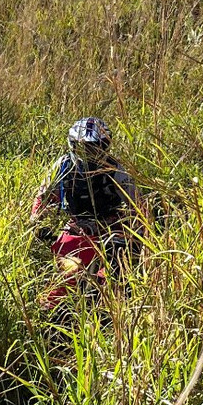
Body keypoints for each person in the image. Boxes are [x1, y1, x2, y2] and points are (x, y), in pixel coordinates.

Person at [30, 116, 140, 308]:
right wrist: (37, 223)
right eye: (83, 148)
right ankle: (50, 316)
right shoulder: (63, 166)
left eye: (95, 147)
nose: (89, 154)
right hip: (77, 227)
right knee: (66, 275)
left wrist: (138, 234)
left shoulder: (116, 169)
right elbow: (44, 196)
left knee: (118, 276)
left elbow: (137, 205)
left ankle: (109, 310)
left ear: (105, 146)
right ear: (73, 145)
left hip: (112, 226)